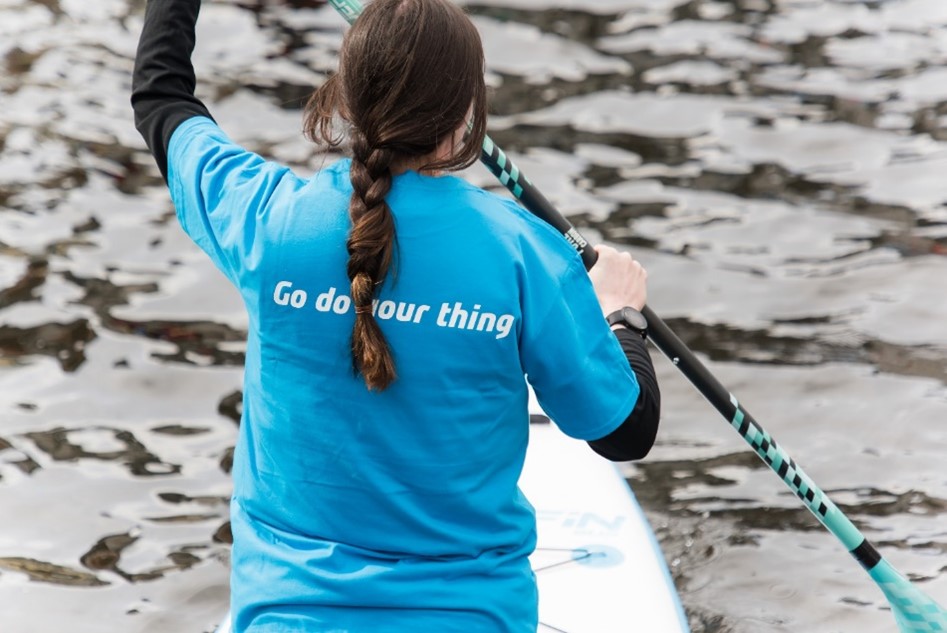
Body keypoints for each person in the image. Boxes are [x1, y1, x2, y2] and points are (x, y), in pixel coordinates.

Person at [131, 0, 660, 630]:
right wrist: (618, 315)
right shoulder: (523, 253)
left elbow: (161, 98)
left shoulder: (269, 220)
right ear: (467, 115)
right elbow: (623, 431)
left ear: (345, 99)